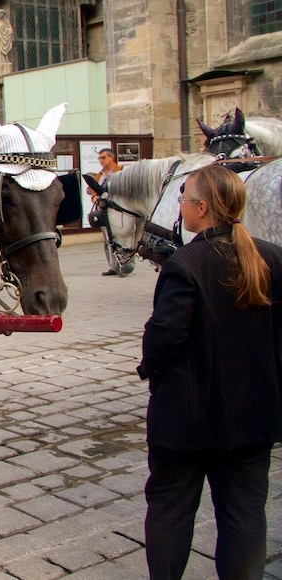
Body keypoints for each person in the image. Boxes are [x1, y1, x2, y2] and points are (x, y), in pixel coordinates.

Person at [137, 163, 282, 580]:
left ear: (201, 208)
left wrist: (150, 369)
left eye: (183, 199)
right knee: (244, 514)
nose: (180, 207)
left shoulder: (185, 264)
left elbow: (164, 337)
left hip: (187, 417)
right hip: (253, 416)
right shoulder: (271, 257)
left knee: (171, 509)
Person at [87, 148, 130, 275]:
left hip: (118, 209)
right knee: (107, 239)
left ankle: (124, 264)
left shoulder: (121, 171)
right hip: (103, 209)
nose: (101, 160)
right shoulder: (100, 175)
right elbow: (94, 190)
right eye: (99, 158)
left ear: (111, 157)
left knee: (120, 238)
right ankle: (112, 266)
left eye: (103, 157)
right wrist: (94, 196)